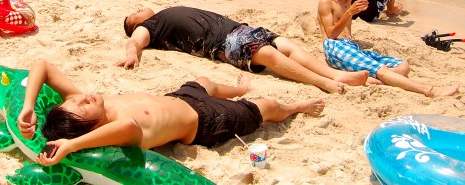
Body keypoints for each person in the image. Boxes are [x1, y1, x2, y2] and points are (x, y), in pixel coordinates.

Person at [17, 59, 324, 166]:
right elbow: (130, 129)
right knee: (268, 107)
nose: (83, 97)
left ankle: (239, 89)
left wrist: (29, 107)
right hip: (204, 122)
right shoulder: (119, 130)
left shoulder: (83, 102)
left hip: (181, 97)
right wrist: (71, 145)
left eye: (76, 99)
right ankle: (296, 108)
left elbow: (42, 65)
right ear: (91, 127)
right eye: (83, 106)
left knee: (203, 82)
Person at [120, 6, 369, 93]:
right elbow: (136, 41)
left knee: (286, 45)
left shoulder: (160, 16)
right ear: (136, 23)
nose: (140, 8)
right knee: (270, 55)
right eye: (135, 12)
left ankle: (335, 74)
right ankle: (322, 82)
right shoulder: (151, 26)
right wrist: (132, 52)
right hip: (224, 42)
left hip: (238, 29)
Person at [317, 0, 458, 97]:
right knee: (382, 70)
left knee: (403, 66)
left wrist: (359, 10)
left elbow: (349, 19)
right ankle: (430, 91)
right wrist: (350, 13)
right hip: (335, 46)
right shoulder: (327, 2)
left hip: (350, 46)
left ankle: (375, 80)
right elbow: (330, 34)